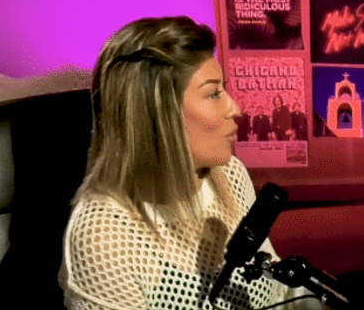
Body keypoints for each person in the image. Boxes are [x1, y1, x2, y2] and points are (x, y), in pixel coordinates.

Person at [60, 16, 295, 309]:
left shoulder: (230, 175)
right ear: (157, 114)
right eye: (213, 93)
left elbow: (276, 292)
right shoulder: (103, 237)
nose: (235, 108)